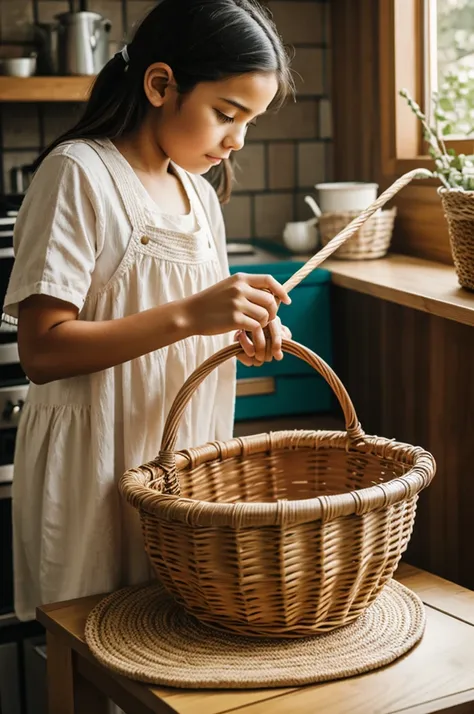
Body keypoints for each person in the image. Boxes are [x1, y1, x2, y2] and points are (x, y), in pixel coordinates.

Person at [3, 0, 295, 622]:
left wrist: (245, 330)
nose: (237, 139)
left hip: (181, 472)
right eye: (226, 113)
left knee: (173, 644)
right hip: (93, 470)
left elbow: (198, 327)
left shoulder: (198, 192)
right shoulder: (79, 173)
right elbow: (43, 350)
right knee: (94, 648)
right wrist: (192, 315)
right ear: (161, 84)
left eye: (250, 122)